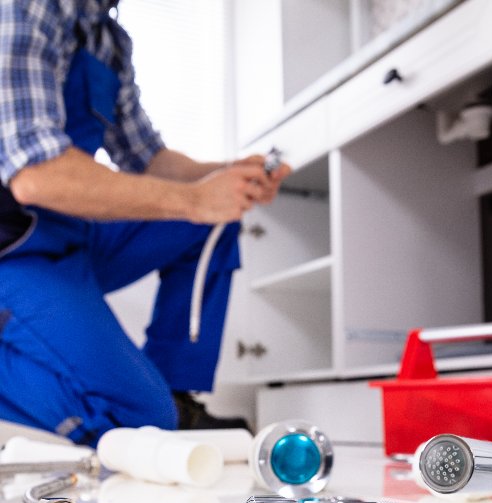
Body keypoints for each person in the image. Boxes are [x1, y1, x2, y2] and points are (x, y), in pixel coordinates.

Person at [0, 0, 290, 445]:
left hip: (68, 233)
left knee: (215, 220)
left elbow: (147, 158)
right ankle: (148, 410)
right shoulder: (27, 8)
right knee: (137, 417)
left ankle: (176, 399)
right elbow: (37, 177)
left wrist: (230, 176)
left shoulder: (107, 39)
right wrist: (196, 198)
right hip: (14, 250)